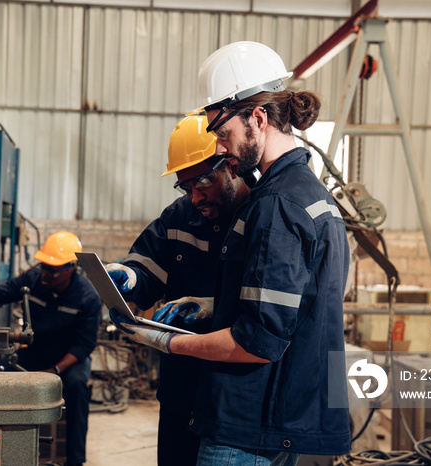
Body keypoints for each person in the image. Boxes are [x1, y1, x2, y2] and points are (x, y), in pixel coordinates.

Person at [110, 41, 351, 465]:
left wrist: (168, 342)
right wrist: (134, 280)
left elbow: (258, 340)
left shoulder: (277, 204)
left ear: (258, 118)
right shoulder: (307, 197)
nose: (222, 148)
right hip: (257, 415)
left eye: (223, 133)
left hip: (248, 419)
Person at [105, 114, 250, 466]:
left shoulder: (262, 215)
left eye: (204, 182)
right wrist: (130, 277)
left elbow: (268, 308)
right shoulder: (181, 216)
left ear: (230, 164)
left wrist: (215, 306)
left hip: (233, 395)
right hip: (180, 388)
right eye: (186, 187)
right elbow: (149, 266)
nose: (196, 196)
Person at [0, 231, 101, 466]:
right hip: (36, 352)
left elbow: (85, 345)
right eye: (43, 266)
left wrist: (55, 371)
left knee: (77, 388)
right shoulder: (35, 279)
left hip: (69, 359)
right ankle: (0, 451)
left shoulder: (88, 298)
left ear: (70, 268)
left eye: (52, 269)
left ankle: (75, 460)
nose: (45, 273)